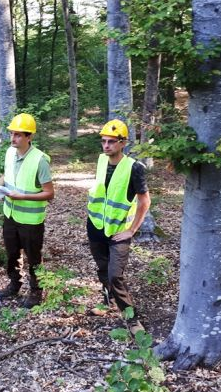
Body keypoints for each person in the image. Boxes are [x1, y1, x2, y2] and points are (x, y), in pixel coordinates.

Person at [86, 119, 151, 334]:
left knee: (115, 275)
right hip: (95, 226)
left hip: (118, 232)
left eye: (111, 142)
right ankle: (108, 302)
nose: (106, 146)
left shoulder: (134, 168)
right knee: (103, 270)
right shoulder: (101, 161)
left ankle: (131, 319)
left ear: (123, 143)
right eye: (103, 141)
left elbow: (144, 201)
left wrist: (131, 230)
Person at [0, 113, 55, 308]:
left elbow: (49, 193)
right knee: (12, 253)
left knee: (34, 258)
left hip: (31, 220)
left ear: (29, 137)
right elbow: (8, 175)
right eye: (12, 134)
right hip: (10, 215)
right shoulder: (9, 153)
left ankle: (36, 292)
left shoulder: (40, 160)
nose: (13, 138)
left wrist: (22, 197)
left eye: (18, 135)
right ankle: (14, 284)